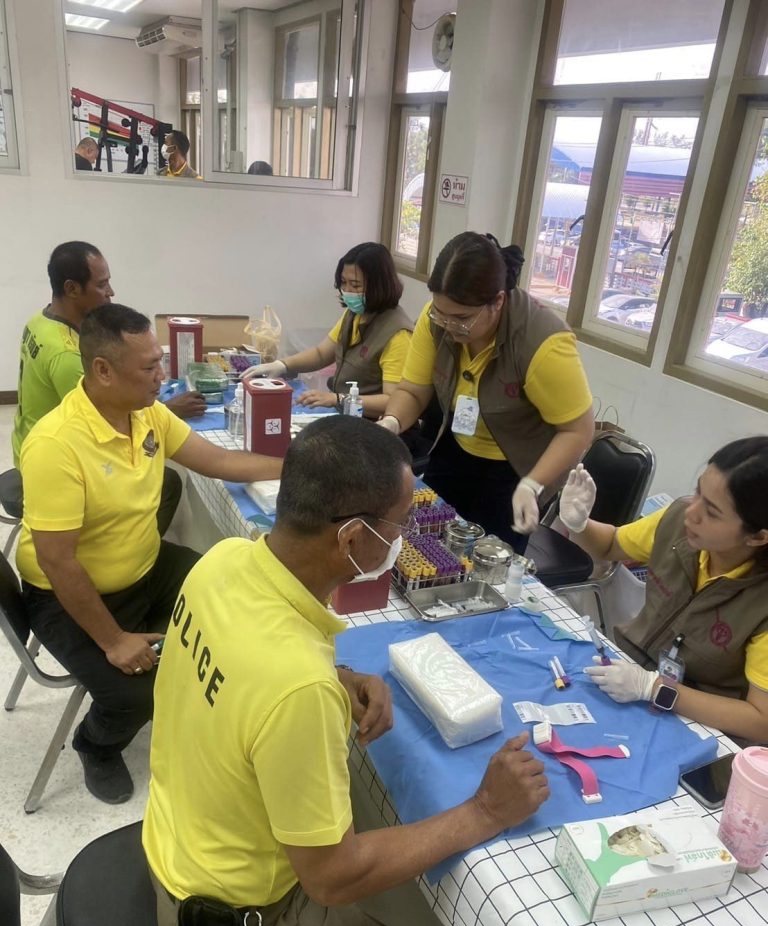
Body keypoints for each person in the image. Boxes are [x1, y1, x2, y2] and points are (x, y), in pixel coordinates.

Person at [143, 415, 548, 926]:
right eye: (400, 523)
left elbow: (244, 666)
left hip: (178, 844)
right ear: (354, 538)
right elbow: (331, 879)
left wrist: (339, 677)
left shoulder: (224, 560)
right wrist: (485, 810)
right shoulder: (296, 688)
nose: (404, 536)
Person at [17, 304, 283, 804]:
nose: (162, 375)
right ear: (103, 370)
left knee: (226, 585)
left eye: (160, 361)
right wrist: (114, 639)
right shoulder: (56, 444)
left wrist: (297, 468)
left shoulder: (146, 414)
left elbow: (218, 460)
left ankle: (209, 699)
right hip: (67, 595)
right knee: (134, 693)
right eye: (150, 367)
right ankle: (96, 745)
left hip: (143, 567)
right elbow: (58, 561)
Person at [379, 232, 594, 552]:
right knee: (423, 540)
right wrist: (391, 423)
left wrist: (532, 484)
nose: (448, 325)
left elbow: (578, 430)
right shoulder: (436, 319)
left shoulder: (543, 342)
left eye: (462, 318)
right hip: (456, 445)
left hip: (515, 468)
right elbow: (413, 390)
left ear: (498, 301)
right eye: (440, 312)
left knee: (486, 560)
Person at [559, 437, 768, 743]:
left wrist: (654, 687)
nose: (691, 513)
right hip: (626, 675)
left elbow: (760, 721)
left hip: (696, 724)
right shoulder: (678, 521)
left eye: (712, 512)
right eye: (698, 492)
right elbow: (611, 545)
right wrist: (579, 524)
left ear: (758, 537)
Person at [10, 241, 206, 522]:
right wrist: (172, 409)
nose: (111, 292)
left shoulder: (40, 320)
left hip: (22, 442)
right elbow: (107, 418)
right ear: (72, 289)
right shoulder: (67, 356)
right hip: (45, 463)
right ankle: (134, 542)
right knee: (165, 481)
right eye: (102, 285)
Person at [244, 242, 412, 420]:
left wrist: (337, 399)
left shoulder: (397, 334)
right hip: (346, 415)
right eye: (344, 283)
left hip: (373, 424)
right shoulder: (355, 314)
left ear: (379, 285)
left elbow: (393, 402)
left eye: (355, 285)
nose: (347, 291)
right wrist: (282, 365)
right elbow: (321, 353)